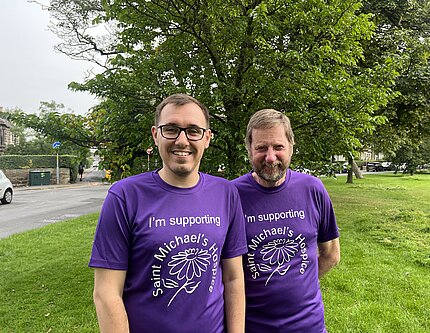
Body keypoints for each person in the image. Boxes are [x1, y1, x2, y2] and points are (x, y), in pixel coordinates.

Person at [89, 93, 247, 333]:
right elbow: (106, 292)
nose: (182, 140)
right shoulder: (125, 196)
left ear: (207, 138)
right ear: (155, 135)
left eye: (193, 130)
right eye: (171, 129)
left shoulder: (226, 193)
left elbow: (233, 279)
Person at [232, 109, 340, 333]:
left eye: (278, 147)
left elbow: (331, 255)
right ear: (249, 149)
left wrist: (299, 281)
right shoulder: (231, 195)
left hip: (308, 326)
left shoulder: (312, 189)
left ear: (291, 146)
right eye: (261, 148)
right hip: (253, 326)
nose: (270, 157)